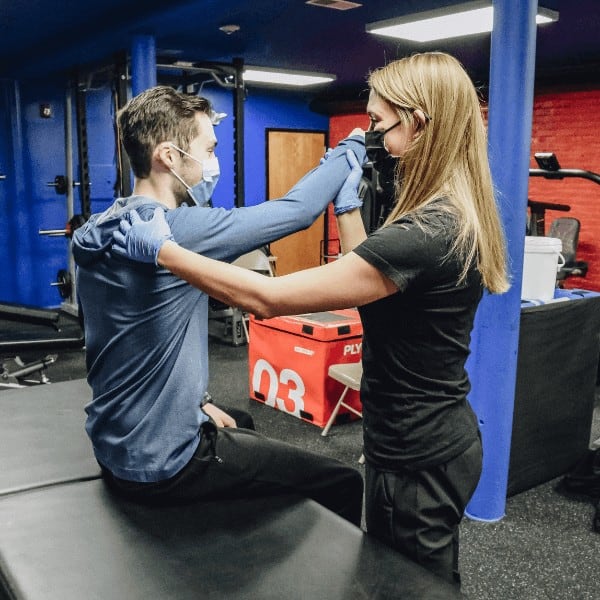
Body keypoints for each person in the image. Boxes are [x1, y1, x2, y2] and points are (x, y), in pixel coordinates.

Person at [112, 52, 510, 587]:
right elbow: (374, 285)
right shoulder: (450, 215)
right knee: (427, 577)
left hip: (417, 454)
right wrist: (346, 208)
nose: (372, 137)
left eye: (377, 123)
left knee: (413, 587)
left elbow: (267, 299)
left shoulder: (425, 232)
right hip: (434, 438)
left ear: (417, 122)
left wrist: (164, 251)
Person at [72, 85, 365, 526]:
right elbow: (298, 210)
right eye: (208, 150)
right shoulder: (176, 230)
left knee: (240, 421)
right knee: (345, 481)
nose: (212, 164)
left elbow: (132, 342)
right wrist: (350, 148)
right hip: (164, 465)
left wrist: (196, 402)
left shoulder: (104, 225)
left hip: (115, 445)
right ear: (169, 157)